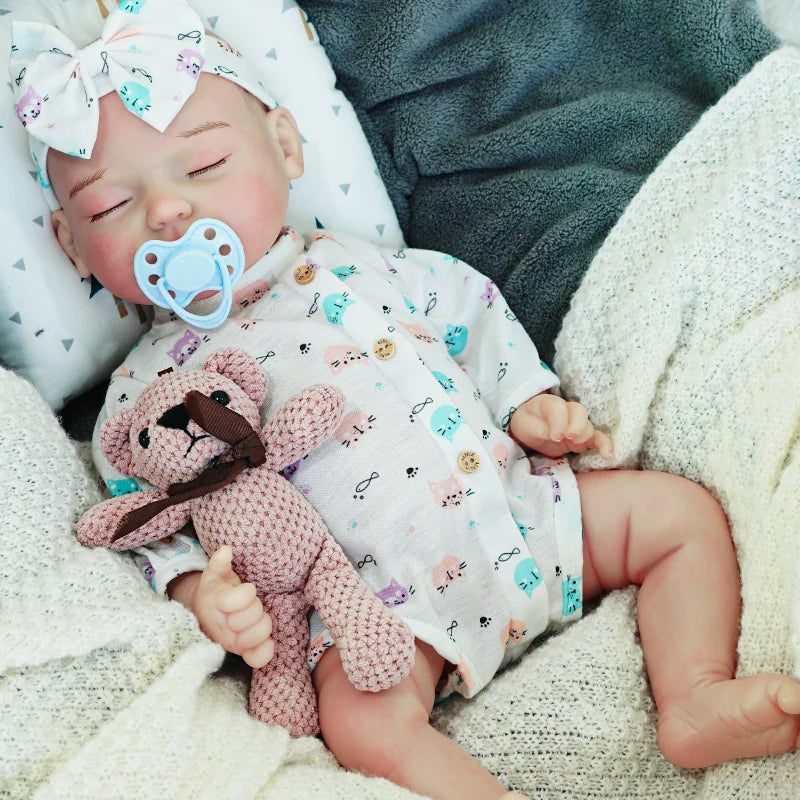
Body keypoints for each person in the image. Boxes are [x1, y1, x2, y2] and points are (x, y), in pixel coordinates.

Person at [11, 3, 800, 799]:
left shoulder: (362, 262)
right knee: (362, 725)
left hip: (525, 516)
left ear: (285, 148)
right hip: (382, 612)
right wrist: (198, 593)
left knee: (679, 516)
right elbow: (148, 516)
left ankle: (692, 694)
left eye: (205, 164)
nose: (170, 211)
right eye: (112, 207)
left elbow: (471, 309)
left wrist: (527, 399)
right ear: (72, 243)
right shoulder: (141, 393)